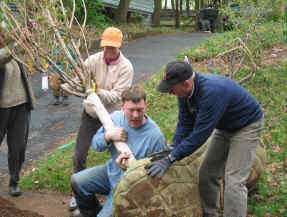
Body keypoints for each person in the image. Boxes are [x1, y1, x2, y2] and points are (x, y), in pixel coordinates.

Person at [145, 60, 264, 217]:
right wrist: (174, 148)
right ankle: (210, 214)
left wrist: (171, 158)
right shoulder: (184, 93)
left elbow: (199, 135)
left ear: (186, 83)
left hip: (247, 126)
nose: (170, 93)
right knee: (207, 174)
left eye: (172, 89)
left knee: (234, 181)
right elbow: (185, 123)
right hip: (225, 126)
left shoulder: (211, 93)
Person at [70, 85, 167, 217]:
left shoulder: (155, 136)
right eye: (131, 110)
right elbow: (96, 145)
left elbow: (157, 177)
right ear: (122, 107)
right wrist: (108, 136)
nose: (136, 115)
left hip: (130, 188)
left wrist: (130, 169)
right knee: (77, 181)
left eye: (140, 110)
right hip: (111, 172)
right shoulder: (115, 119)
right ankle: (92, 213)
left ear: (145, 106)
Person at [68, 26, 134, 211]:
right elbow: (79, 80)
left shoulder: (126, 67)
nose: (109, 50)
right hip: (90, 115)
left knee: (121, 152)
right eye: (106, 46)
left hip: (112, 117)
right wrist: (63, 85)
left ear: (120, 46)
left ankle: (123, 190)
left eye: (113, 47)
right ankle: (77, 193)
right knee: (79, 154)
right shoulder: (92, 61)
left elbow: (118, 95)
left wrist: (96, 92)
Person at [0, 32, 36, 196]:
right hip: (2, 108)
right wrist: (17, 44)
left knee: (18, 146)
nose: (2, 38)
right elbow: (3, 57)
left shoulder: (14, 51)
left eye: (2, 35)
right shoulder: (8, 52)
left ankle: (14, 181)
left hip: (21, 105)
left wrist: (27, 36)